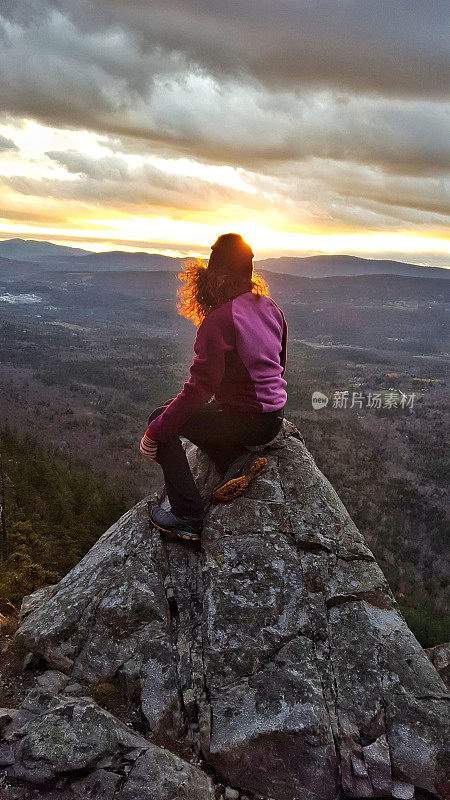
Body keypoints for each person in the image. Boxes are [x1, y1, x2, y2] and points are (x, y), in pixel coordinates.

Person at [139, 233, 288, 542]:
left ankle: (188, 516)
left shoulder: (220, 320)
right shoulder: (271, 308)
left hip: (245, 420)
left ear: (216, 276)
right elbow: (279, 363)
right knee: (179, 412)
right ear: (249, 274)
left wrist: (155, 433)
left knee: (161, 418)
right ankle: (234, 460)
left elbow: (198, 390)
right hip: (272, 420)